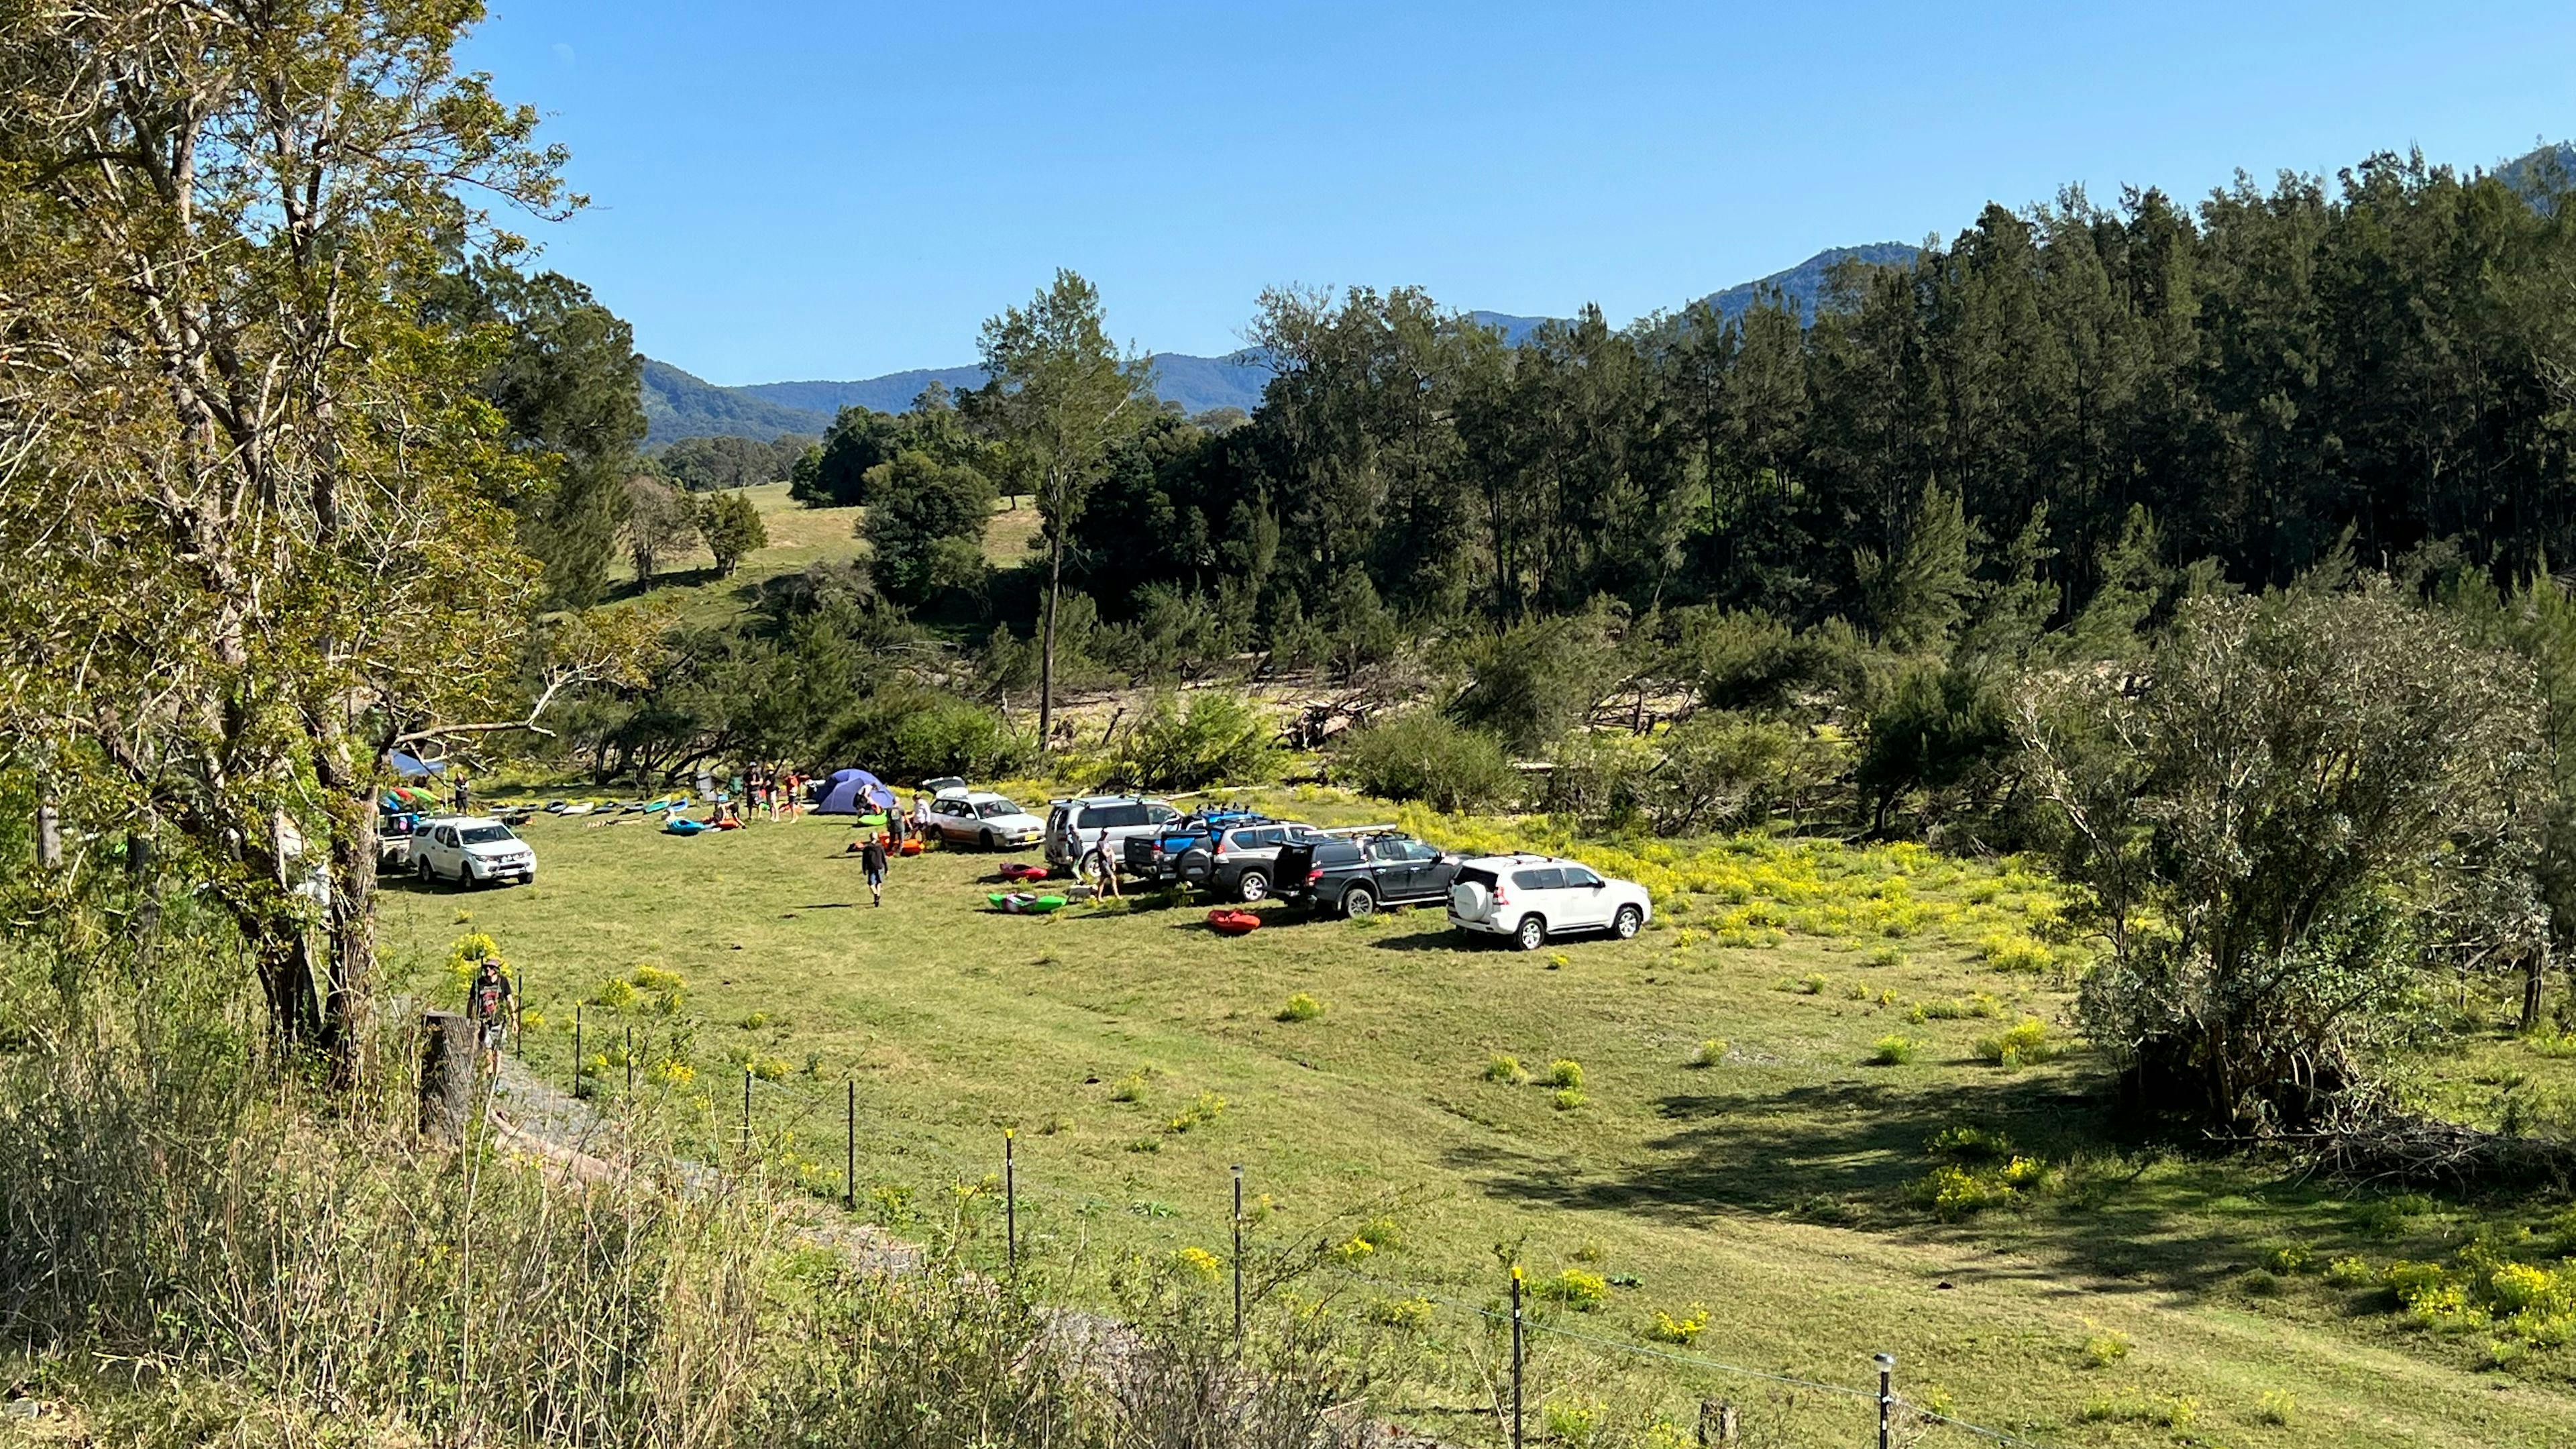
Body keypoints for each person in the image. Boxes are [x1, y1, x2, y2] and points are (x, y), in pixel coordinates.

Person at [467, 956, 513, 1075]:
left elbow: (509, 1000)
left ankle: (496, 1078)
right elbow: (471, 1002)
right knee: (487, 1050)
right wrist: (469, 1019)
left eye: (491, 967)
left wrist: (514, 1019)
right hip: (485, 1022)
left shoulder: (503, 982)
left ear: (496, 970)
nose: (488, 969)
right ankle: (489, 1075)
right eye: (486, 967)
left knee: (498, 1052)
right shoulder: (478, 983)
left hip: (499, 1022)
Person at [1081, 828, 1122, 900]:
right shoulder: (1100, 843)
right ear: (1102, 833)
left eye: (1106, 834)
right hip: (1104, 864)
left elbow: (1111, 852)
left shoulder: (1106, 841)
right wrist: (1110, 851)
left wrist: (1113, 863)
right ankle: (1117, 895)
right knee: (1113, 878)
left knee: (1102, 880)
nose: (1105, 835)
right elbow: (1106, 854)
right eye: (1104, 833)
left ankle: (1099, 896)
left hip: (1109, 863)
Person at [861, 833, 889, 907]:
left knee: (871, 884)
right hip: (879, 866)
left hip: (871, 867)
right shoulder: (880, 847)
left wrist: (864, 869)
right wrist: (887, 869)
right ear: (877, 838)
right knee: (878, 883)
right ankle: (877, 896)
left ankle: (876, 896)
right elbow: (884, 858)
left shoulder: (867, 848)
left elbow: (864, 860)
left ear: (870, 838)